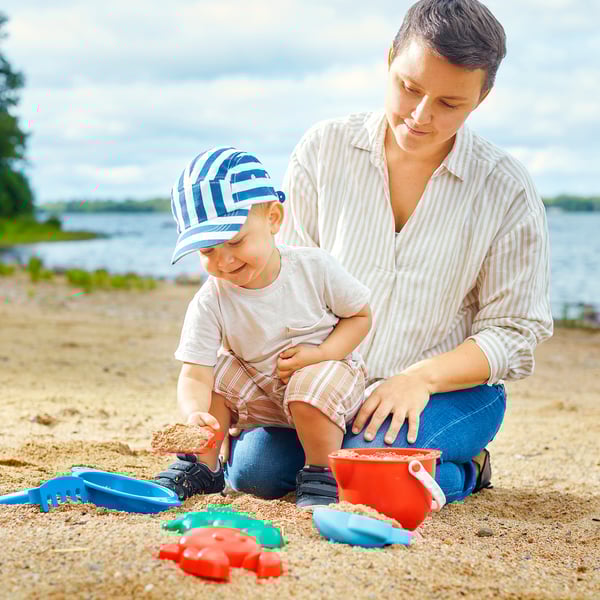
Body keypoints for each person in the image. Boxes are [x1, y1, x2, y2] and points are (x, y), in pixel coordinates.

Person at [222, 0, 553, 504]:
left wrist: (417, 380)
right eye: (410, 87)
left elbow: (515, 331)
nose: (421, 116)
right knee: (255, 472)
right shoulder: (322, 149)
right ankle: (416, 468)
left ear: (481, 98)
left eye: (450, 104)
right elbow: (285, 285)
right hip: (332, 377)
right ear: (390, 57)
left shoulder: (505, 188)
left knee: (366, 473)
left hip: (448, 391)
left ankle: (467, 470)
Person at [154, 146, 372, 508]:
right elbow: (195, 372)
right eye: (207, 251)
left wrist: (321, 353)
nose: (223, 260)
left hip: (327, 380)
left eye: (235, 241)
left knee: (308, 386)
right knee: (217, 373)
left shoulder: (313, 267)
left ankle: (322, 471)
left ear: (273, 219)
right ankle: (205, 467)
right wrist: (195, 414)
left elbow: (360, 316)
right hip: (262, 390)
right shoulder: (212, 299)